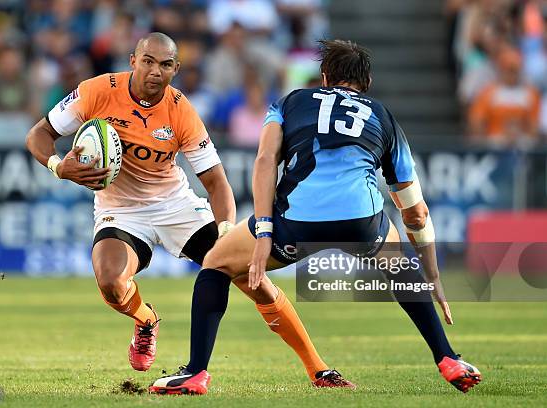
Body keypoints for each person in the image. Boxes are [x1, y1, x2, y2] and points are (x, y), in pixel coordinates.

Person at [152, 39, 482, 395]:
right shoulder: (383, 116)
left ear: (324, 77)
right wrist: (430, 275)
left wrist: (264, 233)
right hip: (361, 220)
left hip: (297, 221)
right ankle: (447, 358)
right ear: (366, 84)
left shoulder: (291, 101)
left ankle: (197, 373)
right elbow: (416, 211)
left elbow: (265, 162)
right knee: (398, 261)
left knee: (216, 263)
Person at [25, 32, 237, 372]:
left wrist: (226, 232)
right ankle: (146, 319)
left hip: (174, 205)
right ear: (132, 61)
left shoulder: (180, 109)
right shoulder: (96, 90)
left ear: (175, 69)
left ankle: (317, 368)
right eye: (148, 61)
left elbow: (216, 183)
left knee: (245, 273)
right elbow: (38, 134)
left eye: (164, 64)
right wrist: (57, 165)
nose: (155, 71)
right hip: (119, 210)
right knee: (110, 283)